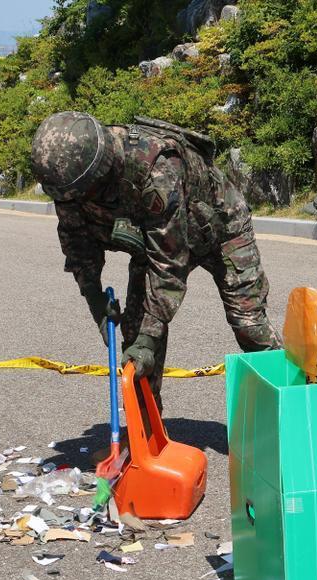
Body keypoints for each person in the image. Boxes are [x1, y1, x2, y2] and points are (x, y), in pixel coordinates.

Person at [31, 112, 282, 400]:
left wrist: (150, 338)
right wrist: (95, 301)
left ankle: (299, 413)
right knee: (135, 352)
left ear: (100, 171)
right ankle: (146, 438)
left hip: (221, 231)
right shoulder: (70, 182)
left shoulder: (155, 170)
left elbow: (169, 263)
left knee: (250, 326)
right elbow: (77, 241)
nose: (75, 201)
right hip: (153, 242)